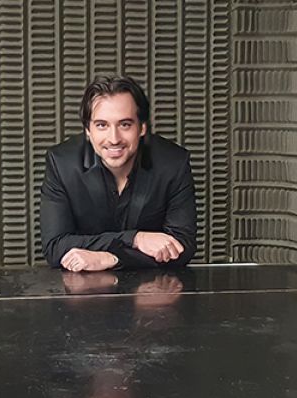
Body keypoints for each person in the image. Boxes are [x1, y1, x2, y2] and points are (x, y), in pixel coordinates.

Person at [40, 75, 197, 271]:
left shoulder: (173, 163)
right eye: (102, 125)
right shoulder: (62, 164)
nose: (114, 139)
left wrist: (112, 258)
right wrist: (135, 239)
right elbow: (55, 247)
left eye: (125, 124)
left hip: (154, 293)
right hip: (83, 294)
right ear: (88, 130)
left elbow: (183, 247)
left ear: (142, 127)